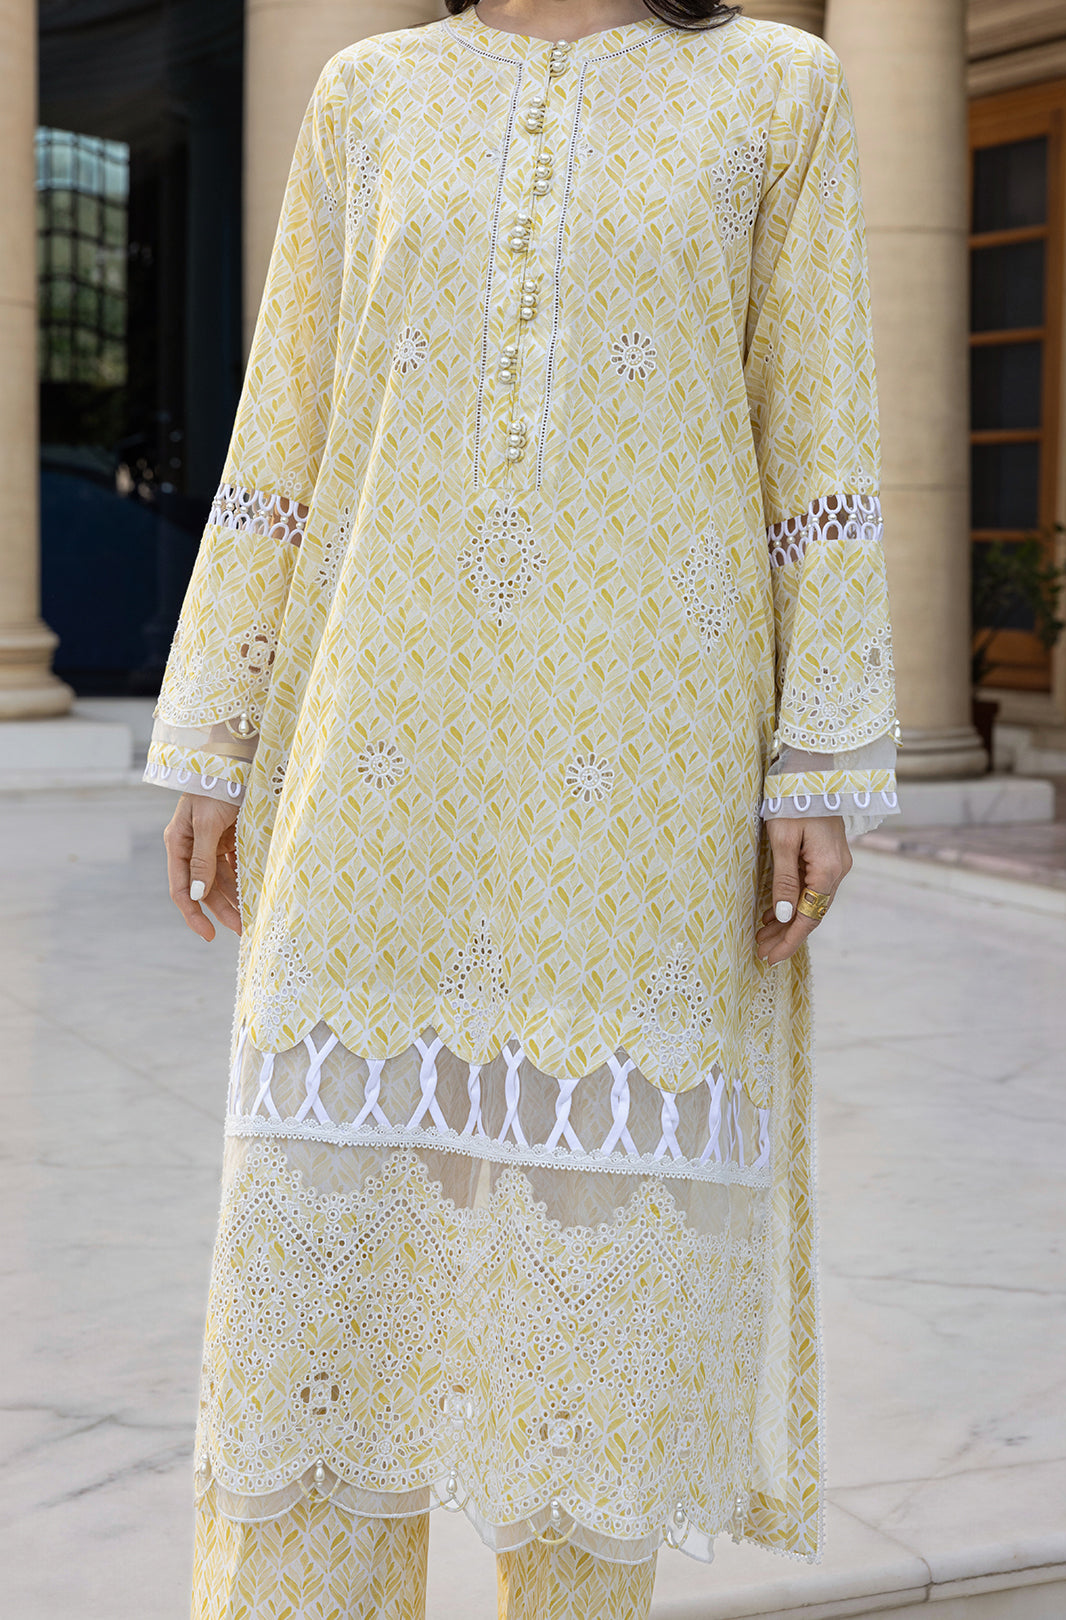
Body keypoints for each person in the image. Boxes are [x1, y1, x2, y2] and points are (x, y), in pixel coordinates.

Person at [147, 1, 901, 1614]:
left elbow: (817, 436)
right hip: (373, 751)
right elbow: (287, 425)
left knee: (587, 1362)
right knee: (321, 1319)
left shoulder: (776, 91)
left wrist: (818, 756)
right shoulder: (369, 94)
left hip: (647, 765)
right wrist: (215, 724)